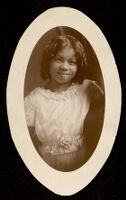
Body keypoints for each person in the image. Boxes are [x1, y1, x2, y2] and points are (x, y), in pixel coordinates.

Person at [24, 35, 104, 171]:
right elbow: (25, 139)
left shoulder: (87, 89)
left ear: (78, 66)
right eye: (59, 60)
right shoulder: (34, 99)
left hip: (82, 159)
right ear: (48, 62)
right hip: (48, 164)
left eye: (72, 62)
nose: (64, 67)